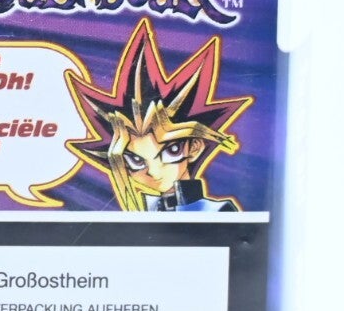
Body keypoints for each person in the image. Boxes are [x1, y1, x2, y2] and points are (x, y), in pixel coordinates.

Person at [67, 19, 250, 212]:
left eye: (171, 151)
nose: (154, 172)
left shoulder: (218, 210)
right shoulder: (144, 208)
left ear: (194, 147)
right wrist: (117, 163)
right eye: (136, 161)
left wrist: (217, 137)